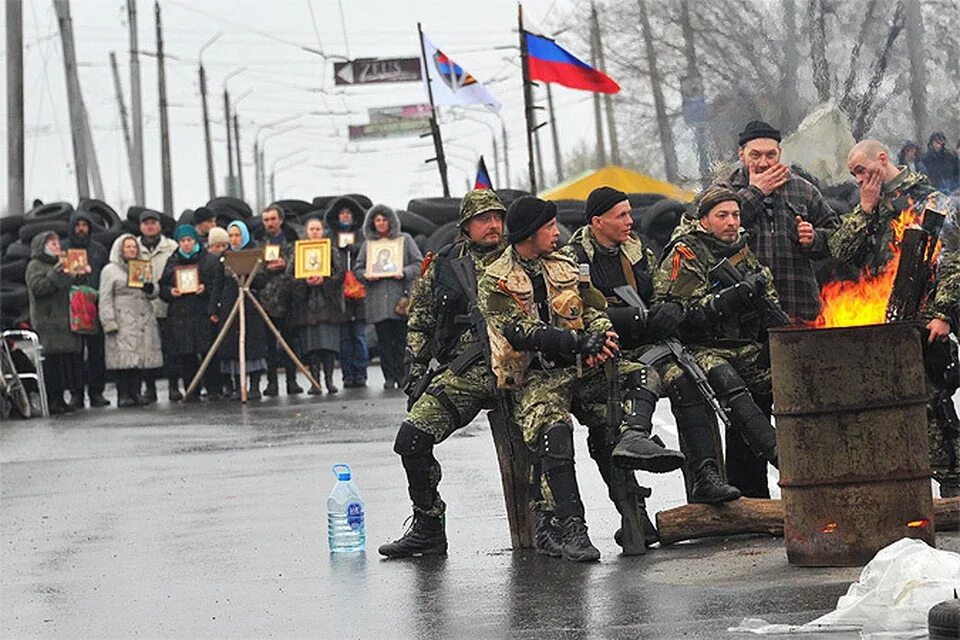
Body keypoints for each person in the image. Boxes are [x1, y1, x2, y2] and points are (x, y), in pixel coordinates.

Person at [478, 196, 684, 562]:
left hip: (580, 368)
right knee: (554, 431)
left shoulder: (567, 264)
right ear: (528, 234)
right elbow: (518, 330)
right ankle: (572, 527)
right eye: (548, 228)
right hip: (536, 377)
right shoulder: (495, 278)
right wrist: (575, 342)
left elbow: (594, 309)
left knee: (640, 376)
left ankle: (633, 441)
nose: (557, 234)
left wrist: (602, 339)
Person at [569, 187, 741, 506]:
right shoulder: (573, 259)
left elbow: (659, 293)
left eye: (631, 213)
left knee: (686, 380)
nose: (630, 221)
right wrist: (637, 318)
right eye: (621, 215)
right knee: (607, 421)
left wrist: (670, 309)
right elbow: (578, 312)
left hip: (646, 348)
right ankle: (632, 508)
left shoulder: (638, 252)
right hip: (602, 353)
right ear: (597, 221)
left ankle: (706, 474)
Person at [378, 190, 507, 559]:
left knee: (549, 438)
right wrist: (416, 370)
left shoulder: (520, 257)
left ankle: (556, 524)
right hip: (463, 372)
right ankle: (428, 526)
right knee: (411, 439)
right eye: (484, 219)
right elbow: (421, 320)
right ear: (466, 226)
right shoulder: (445, 263)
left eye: (498, 217)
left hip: (517, 369)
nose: (493, 225)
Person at [831, 139, 960, 496]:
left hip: (923, 318)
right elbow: (841, 250)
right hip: (880, 319)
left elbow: (952, 262)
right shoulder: (871, 205)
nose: (858, 179)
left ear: (882, 160)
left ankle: (953, 487)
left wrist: (943, 314)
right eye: (853, 174)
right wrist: (865, 209)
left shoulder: (928, 200)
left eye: (861, 170)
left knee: (930, 407)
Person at [654, 186, 783, 498]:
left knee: (778, 379)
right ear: (704, 220)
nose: (731, 222)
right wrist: (731, 297)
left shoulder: (743, 251)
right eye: (722, 215)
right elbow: (678, 314)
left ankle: (753, 487)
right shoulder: (687, 252)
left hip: (744, 345)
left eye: (735, 215)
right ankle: (784, 459)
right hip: (702, 348)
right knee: (729, 383)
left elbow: (768, 298)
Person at [727, 120, 838, 322]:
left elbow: (839, 238)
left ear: (780, 152)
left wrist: (814, 238)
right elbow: (711, 236)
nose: (763, 163)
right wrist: (756, 192)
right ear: (741, 154)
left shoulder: (803, 190)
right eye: (755, 155)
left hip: (800, 307)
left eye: (770, 155)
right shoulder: (725, 191)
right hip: (746, 314)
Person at [355, 204, 423, 390]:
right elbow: (358, 269)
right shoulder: (368, 245)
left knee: (401, 340)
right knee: (383, 341)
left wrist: (404, 272)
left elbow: (419, 263)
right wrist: (367, 275)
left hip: (399, 299)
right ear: (372, 223)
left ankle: (403, 375)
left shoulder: (405, 240)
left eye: (384, 219)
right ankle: (389, 376)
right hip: (377, 301)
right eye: (377, 220)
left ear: (391, 221)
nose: (381, 223)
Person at [25, 231, 90, 414]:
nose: (57, 246)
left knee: (65, 362)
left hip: (66, 319)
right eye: (52, 244)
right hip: (48, 322)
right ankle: (53, 400)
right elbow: (38, 288)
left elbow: (70, 287)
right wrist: (55, 273)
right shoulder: (35, 265)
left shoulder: (63, 263)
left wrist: (80, 274)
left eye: (57, 243)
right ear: (42, 246)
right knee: (52, 363)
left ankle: (63, 398)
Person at [158, 225, 223, 402]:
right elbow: (162, 287)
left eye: (189, 240)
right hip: (180, 315)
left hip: (202, 312)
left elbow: (218, 285)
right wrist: (171, 292)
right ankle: (191, 388)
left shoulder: (209, 260)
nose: (186, 244)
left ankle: (214, 389)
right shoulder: (173, 261)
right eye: (183, 241)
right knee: (186, 355)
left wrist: (206, 289)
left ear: (195, 241)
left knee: (209, 352)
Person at [98, 234, 163, 407]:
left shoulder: (142, 267)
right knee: (123, 358)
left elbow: (154, 291)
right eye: (128, 247)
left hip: (142, 315)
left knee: (138, 357)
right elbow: (104, 297)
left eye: (134, 247)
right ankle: (123, 394)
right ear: (120, 249)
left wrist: (150, 288)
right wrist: (108, 321)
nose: (131, 250)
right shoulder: (110, 270)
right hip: (122, 317)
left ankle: (135, 392)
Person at [287, 215, 343, 395]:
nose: (315, 232)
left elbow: (341, 274)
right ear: (306, 232)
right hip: (307, 305)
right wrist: (305, 282)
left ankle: (329, 380)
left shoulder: (331, 251)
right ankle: (314, 382)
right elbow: (289, 277)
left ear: (323, 231)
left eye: (318, 229)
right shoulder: (298, 252)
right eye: (311, 229)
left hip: (328, 304)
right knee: (311, 347)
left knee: (328, 345)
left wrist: (324, 279)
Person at [62, 209, 110, 408]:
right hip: (71, 307)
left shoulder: (98, 249)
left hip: (95, 306)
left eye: (85, 225)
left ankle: (96, 392)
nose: (81, 229)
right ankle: (76, 393)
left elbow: (105, 274)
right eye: (78, 225)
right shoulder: (64, 249)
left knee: (96, 353)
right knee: (75, 354)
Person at [254, 205, 303, 396]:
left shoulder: (292, 240)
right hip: (266, 299)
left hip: (289, 297)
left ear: (280, 220)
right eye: (266, 220)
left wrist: (286, 263)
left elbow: (303, 262)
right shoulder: (259, 242)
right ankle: (272, 382)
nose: (270, 223)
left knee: (291, 342)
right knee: (269, 345)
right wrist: (267, 267)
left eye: (273, 219)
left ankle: (292, 380)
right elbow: (255, 267)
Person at [217, 220, 269, 400]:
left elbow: (262, 280)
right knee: (233, 347)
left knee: (252, 345)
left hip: (250, 305)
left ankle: (254, 386)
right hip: (230, 305)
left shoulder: (254, 252)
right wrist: (214, 308)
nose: (234, 239)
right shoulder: (225, 256)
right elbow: (219, 284)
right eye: (231, 235)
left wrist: (248, 275)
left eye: (237, 235)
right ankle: (239, 386)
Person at [324, 196, 368, 388]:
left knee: (359, 335)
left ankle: (361, 373)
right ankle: (347, 374)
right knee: (343, 338)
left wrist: (355, 249)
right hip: (338, 294)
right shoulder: (329, 238)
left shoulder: (363, 236)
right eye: (342, 213)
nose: (345, 216)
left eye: (348, 213)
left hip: (359, 293)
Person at [137, 210, 179, 403]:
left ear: (160, 226)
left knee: (171, 350)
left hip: (168, 306)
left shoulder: (171, 247)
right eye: (146, 223)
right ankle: (149, 388)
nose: (150, 227)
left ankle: (173, 387)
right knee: (147, 350)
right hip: (143, 308)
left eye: (153, 223)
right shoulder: (134, 248)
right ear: (140, 227)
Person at [205, 226, 231, 397]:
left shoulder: (229, 262)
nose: (220, 250)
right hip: (207, 310)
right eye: (216, 247)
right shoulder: (205, 262)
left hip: (226, 308)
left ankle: (228, 384)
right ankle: (213, 386)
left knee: (227, 349)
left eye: (223, 246)